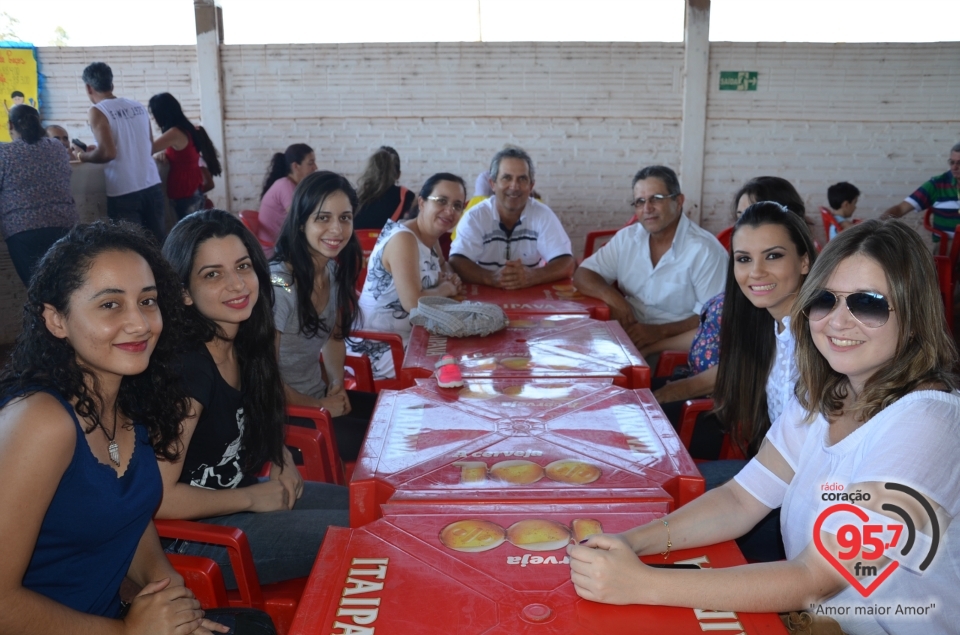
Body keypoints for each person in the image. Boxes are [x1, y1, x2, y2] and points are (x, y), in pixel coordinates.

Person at [568, 219, 960, 635]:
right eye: (825, 300)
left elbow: (815, 576)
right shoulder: (823, 394)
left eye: (868, 304)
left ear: (916, 318)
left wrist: (642, 583)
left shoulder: (929, 424)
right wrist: (633, 542)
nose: (837, 322)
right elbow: (740, 498)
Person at [0, 221, 226, 634]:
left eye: (148, 301)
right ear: (56, 320)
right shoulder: (40, 422)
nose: (140, 323)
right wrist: (128, 632)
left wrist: (167, 592)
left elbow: (129, 514)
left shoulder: (128, 398)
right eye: (110, 305)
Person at [158, 209, 349, 589]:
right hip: (196, 539)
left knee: (368, 510)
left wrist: (281, 460)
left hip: (243, 494)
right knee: (363, 536)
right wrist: (249, 498)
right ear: (182, 291)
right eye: (212, 274)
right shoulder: (188, 372)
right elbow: (159, 499)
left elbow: (261, 418)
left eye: (242, 266)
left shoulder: (245, 341)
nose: (237, 285)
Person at [649, 176, 809, 406]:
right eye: (744, 259)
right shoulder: (770, 318)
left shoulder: (812, 334)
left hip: (719, 404)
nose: (756, 271)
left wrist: (676, 390)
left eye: (773, 255)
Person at [271, 171, 376, 462]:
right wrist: (321, 406)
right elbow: (263, 379)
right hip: (280, 418)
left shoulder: (330, 269)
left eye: (345, 218)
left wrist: (336, 383)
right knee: (387, 446)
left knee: (398, 418)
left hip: (317, 399)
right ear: (301, 221)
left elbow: (333, 338)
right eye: (323, 218)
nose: (337, 229)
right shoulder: (279, 287)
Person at [574, 165, 727, 352]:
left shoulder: (705, 251)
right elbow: (583, 274)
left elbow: (714, 316)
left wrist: (658, 332)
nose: (647, 208)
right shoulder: (627, 239)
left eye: (656, 199)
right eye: (640, 201)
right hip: (628, 335)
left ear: (678, 202)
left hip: (676, 348)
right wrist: (613, 298)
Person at [348, 173, 467, 380]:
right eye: (442, 201)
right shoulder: (403, 238)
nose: (450, 210)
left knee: (466, 353)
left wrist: (447, 278)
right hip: (378, 347)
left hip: (410, 339)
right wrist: (446, 289)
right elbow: (412, 303)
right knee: (454, 372)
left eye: (457, 205)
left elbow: (442, 267)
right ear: (422, 202)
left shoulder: (430, 237)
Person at [449, 147, 575, 289]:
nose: (514, 186)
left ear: (531, 186)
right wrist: (491, 278)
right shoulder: (475, 216)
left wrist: (533, 276)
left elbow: (567, 263)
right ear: (493, 184)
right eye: (507, 178)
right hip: (484, 297)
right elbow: (457, 261)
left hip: (532, 297)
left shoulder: (543, 214)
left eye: (522, 179)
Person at [75, 62, 166, 242]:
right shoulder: (137, 106)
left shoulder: (97, 111)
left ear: (88, 87)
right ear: (111, 84)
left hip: (124, 191)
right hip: (152, 184)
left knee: (130, 249)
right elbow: (148, 145)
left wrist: (82, 155)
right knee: (159, 245)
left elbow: (108, 153)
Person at [0, 105, 78, 285]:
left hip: (23, 230)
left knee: (38, 290)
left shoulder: (4, 153)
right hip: (64, 225)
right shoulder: (57, 147)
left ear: (11, 124)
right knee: (66, 289)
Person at [148, 93, 222, 220]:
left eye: (154, 114)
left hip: (185, 193)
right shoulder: (186, 128)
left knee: (188, 236)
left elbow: (148, 149)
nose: (154, 119)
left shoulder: (175, 132)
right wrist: (161, 154)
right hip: (190, 191)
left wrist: (146, 126)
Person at [882, 141, 960, 235]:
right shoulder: (937, 184)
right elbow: (901, 209)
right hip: (946, 245)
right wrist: (877, 225)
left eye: (959, 163)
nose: (954, 167)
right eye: (952, 162)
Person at [256, 143, 317, 257]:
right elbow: (299, 220)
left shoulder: (291, 185)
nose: (315, 167)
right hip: (274, 251)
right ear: (295, 166)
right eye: (310, 163)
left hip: (282, 246)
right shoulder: (286, 186)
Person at [354, 146, 415, 230]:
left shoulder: (354, 195)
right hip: (393, 243)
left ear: (370, 170)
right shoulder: (407, 196)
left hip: (356, 243)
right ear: (398, 175)